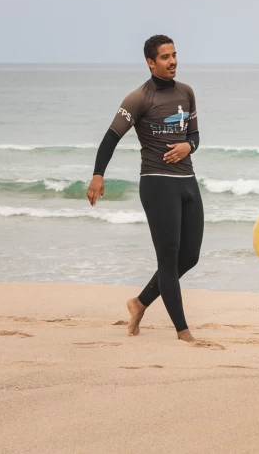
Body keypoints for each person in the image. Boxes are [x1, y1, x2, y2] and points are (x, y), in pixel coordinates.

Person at [87, 35, 203, 342]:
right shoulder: (138, 98)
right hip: (157, 184)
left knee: (190, 257)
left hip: (187, 182)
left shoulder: (186, 93)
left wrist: (187, 147)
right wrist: (98, 175)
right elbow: (111, 137)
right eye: (165, 57)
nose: (173, 61)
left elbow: (195, 137)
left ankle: (139, 303)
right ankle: (183, 331)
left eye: (174, 54)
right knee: (168, 258)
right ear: (151, 62)